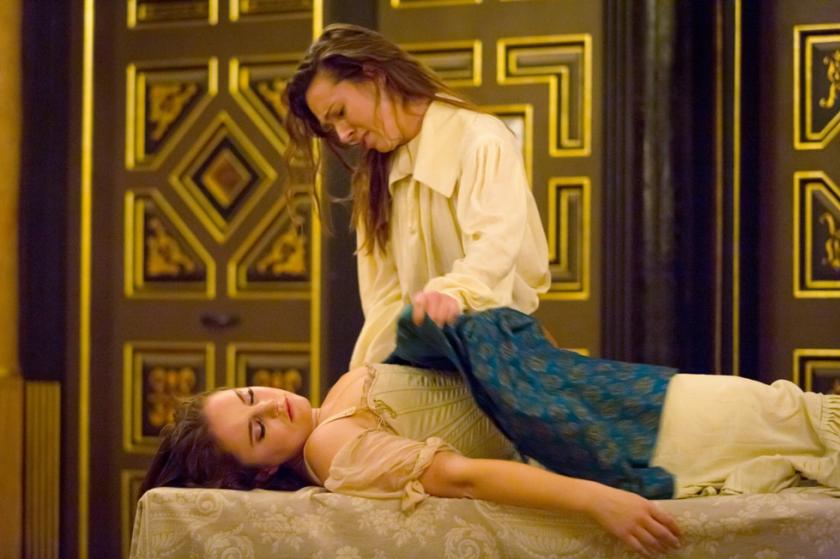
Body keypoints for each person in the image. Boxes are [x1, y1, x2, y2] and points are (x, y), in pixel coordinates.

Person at [140, 310, 840, 558]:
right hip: (609, 435)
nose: (274, 407)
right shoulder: (334, 450)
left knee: (788, 419)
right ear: (263, 472)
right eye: (259, 429)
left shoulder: (333, 403)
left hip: (597, 404)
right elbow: (461, 475)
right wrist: (597, 499)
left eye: (253, 396)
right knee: (788, 421)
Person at [282, 23, 551, 368]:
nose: (343, 134)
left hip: (499, 353)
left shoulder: (480, 141)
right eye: (331, 127)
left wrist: (451, 294)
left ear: (374, 75)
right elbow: (384, 303)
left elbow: (492, 253)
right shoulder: (375, 177)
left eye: (340, 113)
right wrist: (368, 375)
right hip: (423, 363)